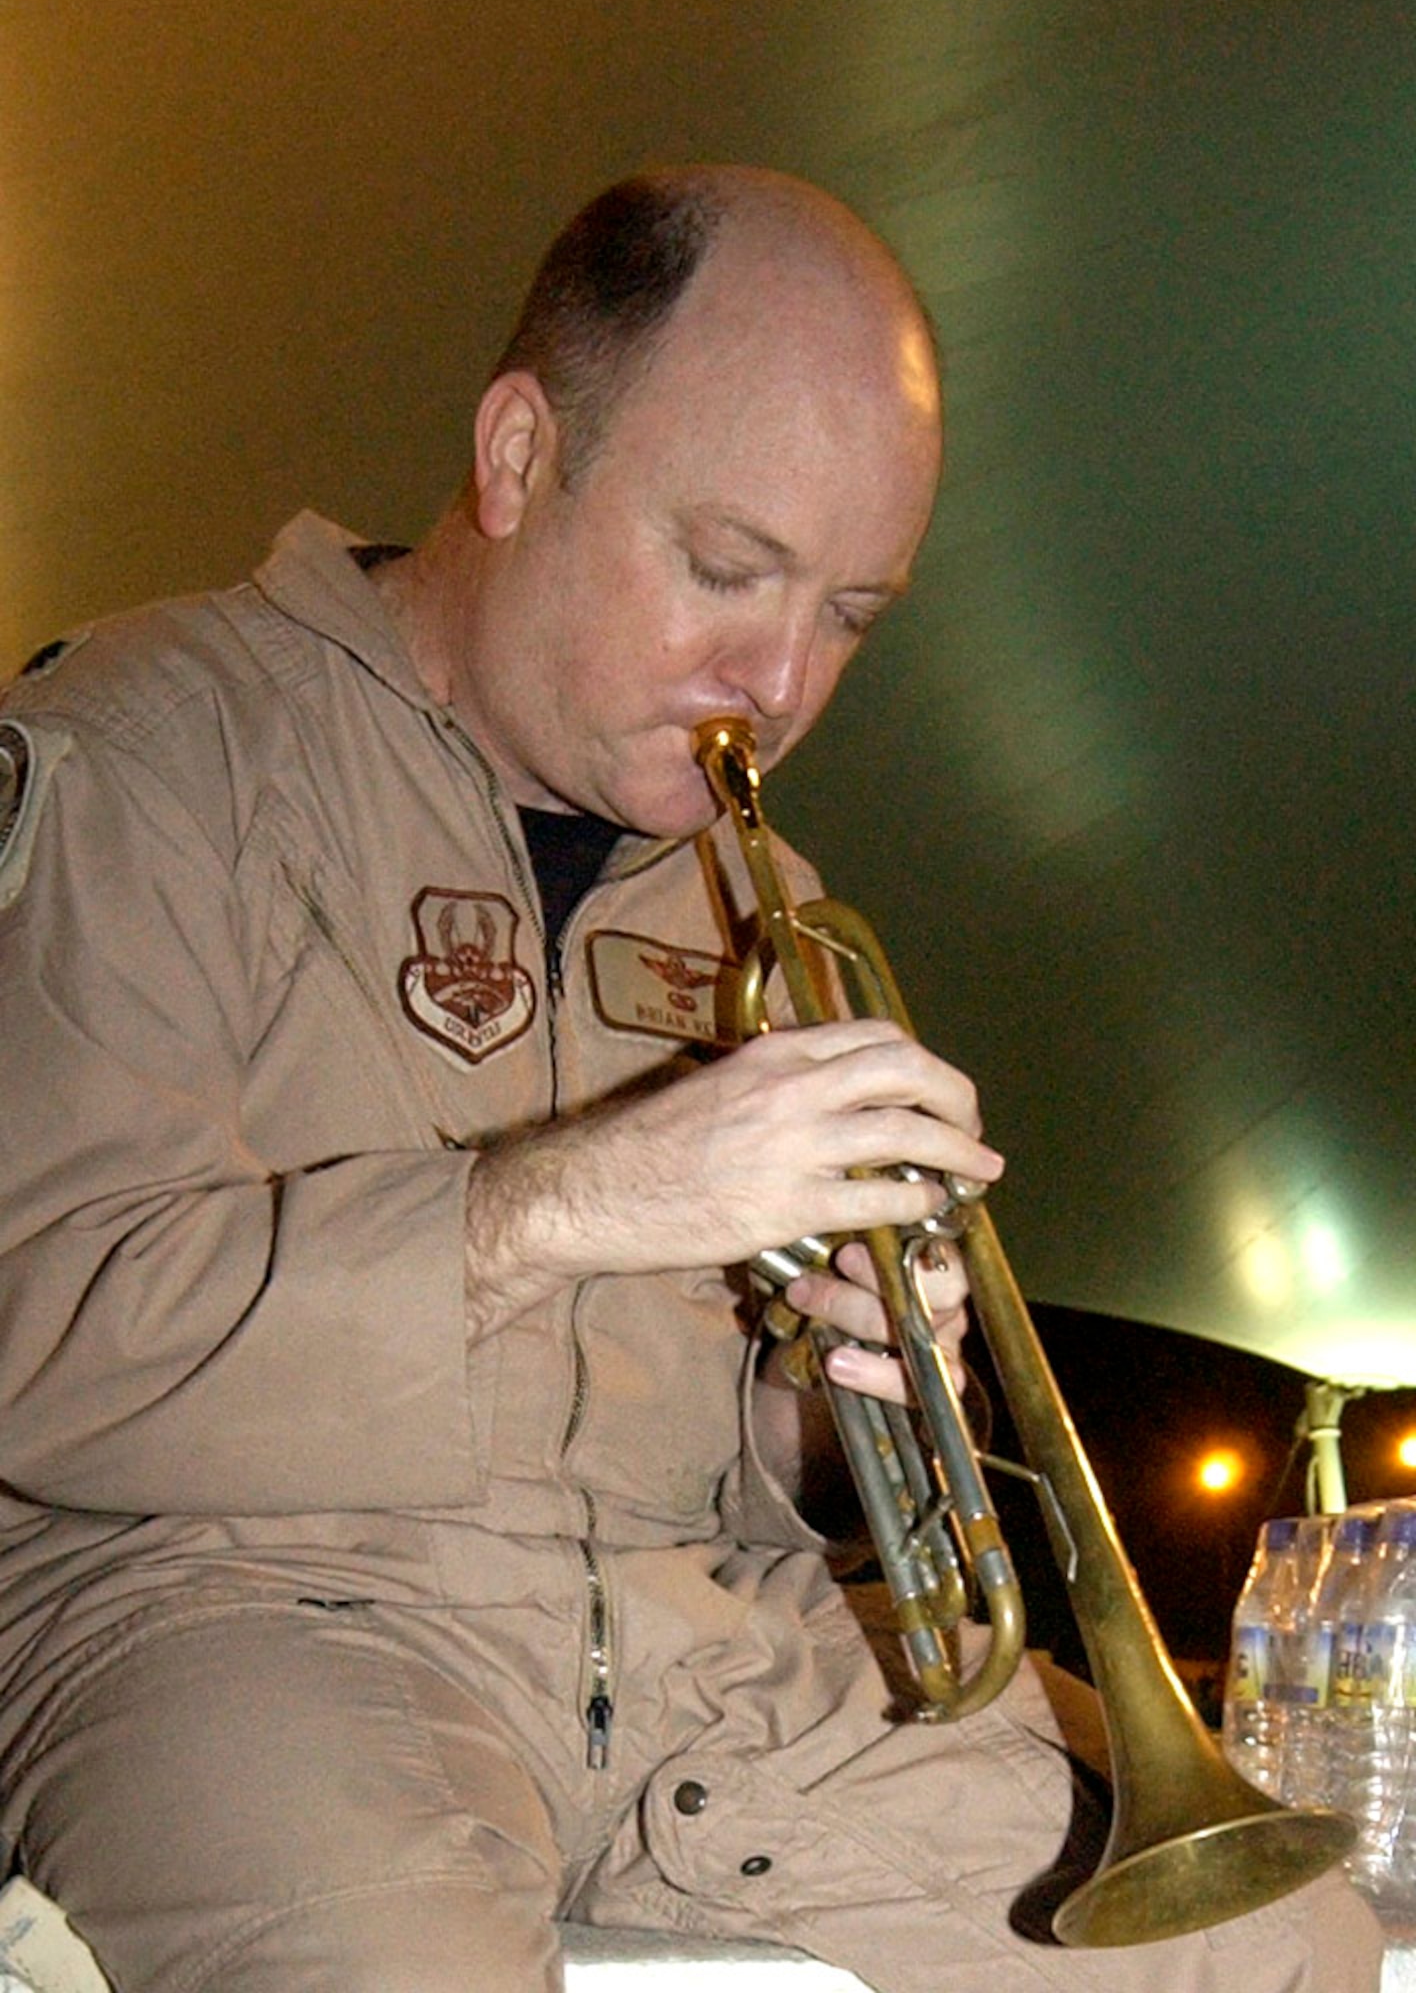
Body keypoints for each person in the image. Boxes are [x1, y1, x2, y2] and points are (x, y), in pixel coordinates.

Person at [0, 166, 1381, 1993]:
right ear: (515, 459)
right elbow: (41, 1346)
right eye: (728, 571)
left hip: (702, 1651)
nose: (782, 679)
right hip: (233, 1617)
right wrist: (573, 1198)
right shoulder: (142, 749)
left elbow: (732, 1460)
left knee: (1287, 1948)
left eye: (854, 614)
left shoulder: (768, 902)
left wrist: (852, 1385)